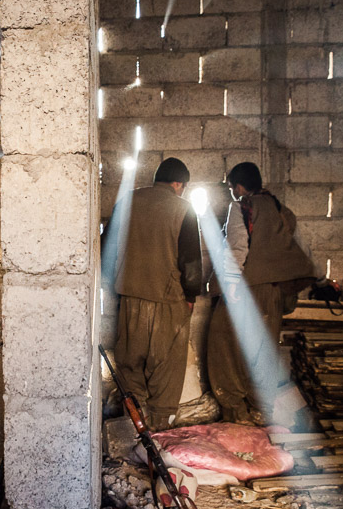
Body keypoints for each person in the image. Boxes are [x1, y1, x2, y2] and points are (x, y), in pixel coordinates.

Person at [207, 162, 316, 425]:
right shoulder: (283, 211)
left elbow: (237, 248)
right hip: (275, 292)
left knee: (224, 346)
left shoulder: (241, 207)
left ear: (240, 187)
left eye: (233, 187)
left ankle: (235, 412)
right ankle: (260, 410)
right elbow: (300, 250)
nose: (233, 192)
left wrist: (231, 285)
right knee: (264, 351)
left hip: (247, 289)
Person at [102, 157, 202, 430]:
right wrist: (191, 296)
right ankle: (160, 430)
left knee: (129, 365)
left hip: (130, 300)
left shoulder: (128, 202)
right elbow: (191, 262)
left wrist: (114, 287)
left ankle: (134, 427)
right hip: (168, 301)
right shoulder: (183, 209)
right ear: (179, 185)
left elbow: (106, 247)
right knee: (165, 370)